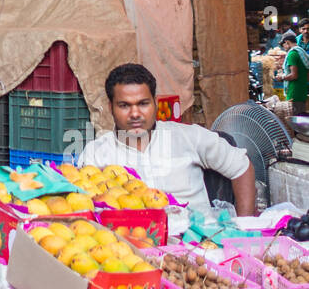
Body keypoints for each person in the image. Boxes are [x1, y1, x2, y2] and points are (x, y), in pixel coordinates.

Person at [79, 62, 257, 218]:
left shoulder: (189, 137)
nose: (135, 114)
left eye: (143, 103)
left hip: (202, 244)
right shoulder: (96, 155)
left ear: (155, 103)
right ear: (111, 107)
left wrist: (244, 226)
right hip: (133, 250)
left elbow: (241, 167)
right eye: (124, 105)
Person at [282, 29, 309, 116]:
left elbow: (294, 75)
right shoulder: (301, 52)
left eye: (283, 45)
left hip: (294, 91)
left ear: (287, 42)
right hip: (302, 89)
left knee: (295, 118)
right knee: (301, 117)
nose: (284, 48)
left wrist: (282, 78)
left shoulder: (292, 54)